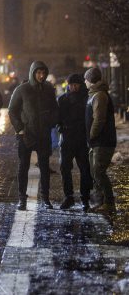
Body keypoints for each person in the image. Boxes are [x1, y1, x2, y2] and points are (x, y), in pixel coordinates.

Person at [8, 61, 58, 210]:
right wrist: (20, 128)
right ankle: (22, 198)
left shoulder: (49, 89)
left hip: (43, 135)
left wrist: (51, 122)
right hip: (26, 135)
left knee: (44, 167)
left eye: (43, 73)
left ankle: (46, 198)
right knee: (23, 167)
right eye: (38, 73)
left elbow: (55, 108)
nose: (41, 76)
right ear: (33, 73)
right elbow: (12, 110)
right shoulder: (22, 89)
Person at [57, 73, 93, 211]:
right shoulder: (62, 100)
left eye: (76, 84)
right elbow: (58, 117)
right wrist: (60, 127)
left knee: (85, 169)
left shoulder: (86, 98)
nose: (74, 87)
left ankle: (85, 198)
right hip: (67, 138)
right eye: (71, 84)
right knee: (65, 168)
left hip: (81, 138)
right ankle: (69, 197)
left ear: (81, 84)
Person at [85, 66, 117, 213]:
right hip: (97, 141)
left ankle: (109, 203)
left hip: (103, 141)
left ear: (90, 80)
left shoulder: (99, 96)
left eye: (86, 79)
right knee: (94, 171)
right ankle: (101, 201)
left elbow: (99, 120)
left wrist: (91, 135)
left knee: (98, 171)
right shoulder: (94, 94)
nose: (84, 82)